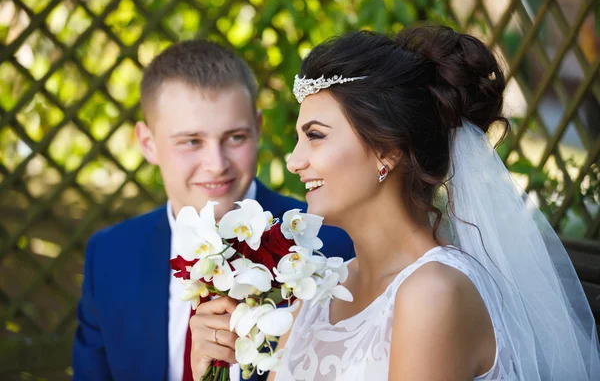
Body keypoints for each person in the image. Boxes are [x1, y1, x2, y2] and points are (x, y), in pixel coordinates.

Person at [263, 25, 598, 380]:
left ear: (387, 151)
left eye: (315, 136)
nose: (294, 160)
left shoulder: (434, 292)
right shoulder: (320, 288)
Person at [71, 40, 354, 381]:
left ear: (258, 129)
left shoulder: (330, 246)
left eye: (235, 137)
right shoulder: (110, 256)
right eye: (191, 141)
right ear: (148, 143)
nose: (217, 164)